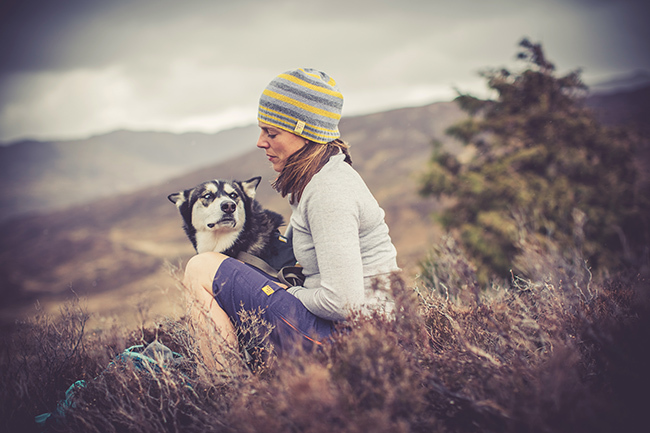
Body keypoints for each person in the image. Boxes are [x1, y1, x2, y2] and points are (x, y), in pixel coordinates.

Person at [182, 68, 399, 363]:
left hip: (351, 343)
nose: (260, 142)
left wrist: (286, 293)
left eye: (272, 132)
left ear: (306, 133)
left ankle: (222, 389)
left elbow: (342, 303)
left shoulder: (328, 192)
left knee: (201, 267)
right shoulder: (320, 178)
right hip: (362, 336)